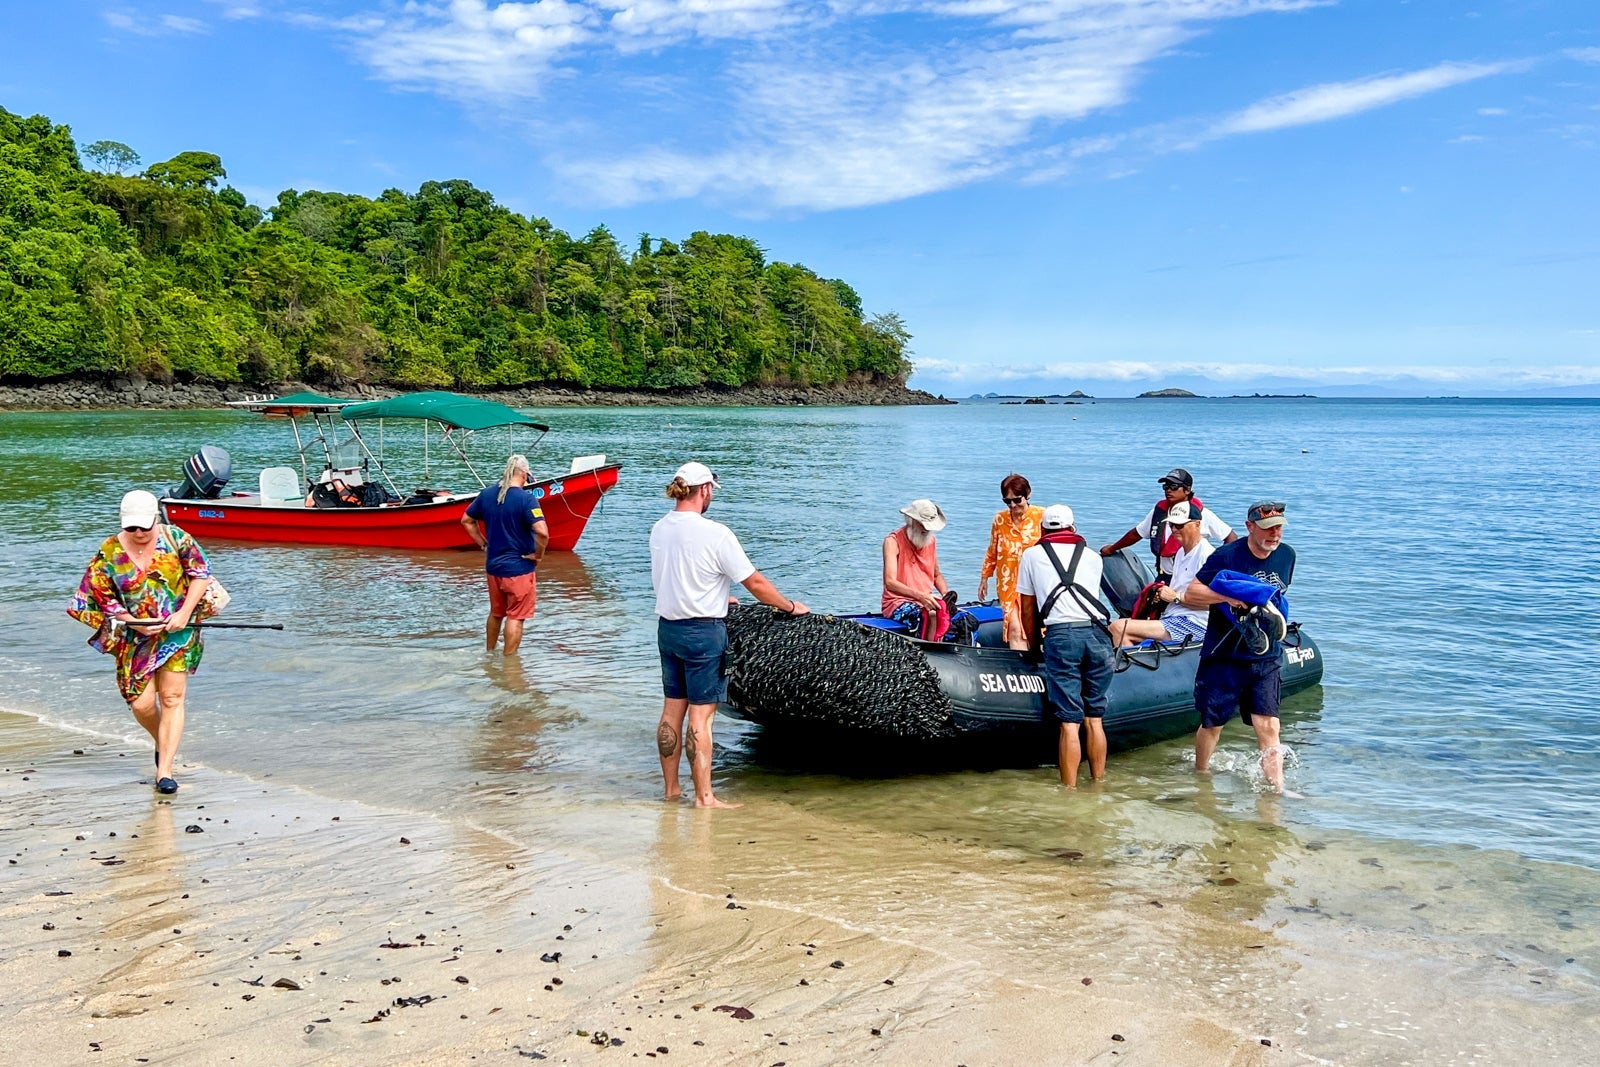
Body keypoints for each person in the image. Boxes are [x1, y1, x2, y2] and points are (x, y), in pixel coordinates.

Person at [651, 461, 810, 808]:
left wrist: (719, 595)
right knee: (701, 716)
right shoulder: (716, 533)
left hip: (668, 630)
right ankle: (704, 798)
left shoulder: (659, 529)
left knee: (670, 713)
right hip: (704, 634)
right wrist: (788, 606)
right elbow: (755, 583)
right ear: (705, 489)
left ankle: (671, 791)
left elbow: (676, 578)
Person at [67, 490, 214, 795]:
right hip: (135, 637)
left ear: (155, 520)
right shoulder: (109, 550)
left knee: (173, 699)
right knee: (142, 703)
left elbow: (200, 575)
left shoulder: (177, 539)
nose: (138, 533)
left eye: (144, 527)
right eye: (131, 527)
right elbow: (100, 595)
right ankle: (163, 739)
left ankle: (165, 771)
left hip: (178, 632)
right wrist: (132, 621)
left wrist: (184, 614)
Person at [1183, 501, 1296, 792]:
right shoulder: (1227, 557)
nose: (1275, 534)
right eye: (1268, 528)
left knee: (1269, 725)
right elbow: (1192, 592)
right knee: (1212, 725)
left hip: (1266, 654)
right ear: (1249, 527)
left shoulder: (1286, 556)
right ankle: (1202, 776)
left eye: (1279, 527)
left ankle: (1276, 791)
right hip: (1225, 653)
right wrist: (1229, 599)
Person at [1017, 504, 1114, 787]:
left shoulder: (1032, 555)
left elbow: (1027, 608)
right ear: (1073, 528)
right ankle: (1098, 784)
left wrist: (1034, 649)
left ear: (1043, 529)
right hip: (1097, 635)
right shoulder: (1093, 557)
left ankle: (1069, 791)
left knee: (1069, 722)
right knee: (1094, 717)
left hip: (1062, 635)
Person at [460, 454, 549, 655]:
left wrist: (483, 544)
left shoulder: (487, 494)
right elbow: (542, 532)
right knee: (516, 616)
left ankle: (489, 653)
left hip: (493, 567)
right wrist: (538, 555)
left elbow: (466, 520)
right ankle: (510, 662)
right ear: (525, 474)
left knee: (497, 613)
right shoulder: (527, 499)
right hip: (518, 568)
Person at [1108, 500, 1214, 647]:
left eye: (1180, 525)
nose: (1175, 529)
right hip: (1175, 617)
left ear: (1197, 524)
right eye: (1171, 525)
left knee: (1119, 628)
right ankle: (1134, 664)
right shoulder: (1181, 553)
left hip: (1195, 623)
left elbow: (1215, 603)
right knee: (1119, 628)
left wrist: (1176, 597)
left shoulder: (1207, 556)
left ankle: (1131, 666)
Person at [1099, 467, 1236, 580]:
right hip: (1165, 575)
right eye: (1166, 487)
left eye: (1174, 486)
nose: (1168, 490)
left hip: (1191, 577)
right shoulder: (1158, 512)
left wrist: (1216, 562)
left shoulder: (1200, 515)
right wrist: (1112, 548)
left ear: (1187, 490)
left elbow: (1231, 537)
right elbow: (1136, 534)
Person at [978, 473, 1046, 650]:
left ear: (1028, 494)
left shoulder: (1042, 516)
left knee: (1039, 629)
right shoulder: (1000, 519)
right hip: (1009, 585)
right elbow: (992, 549)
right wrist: (985, 577)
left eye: (1017, 500)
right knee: (1014, 628)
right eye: (1007, 502)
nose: (1013, 505)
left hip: (1037, 583)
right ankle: (1021, 670)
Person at [882, 499, 952, 640]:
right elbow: (890, 582)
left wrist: (946, 594)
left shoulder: (931, 541)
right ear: (912, 520)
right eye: (923, 524)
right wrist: (920, 596)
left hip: (926, 600)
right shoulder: (893, 542)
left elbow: (936, 575)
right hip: (897, 602)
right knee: (923, 617)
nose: (926, 529)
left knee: (962, 620)